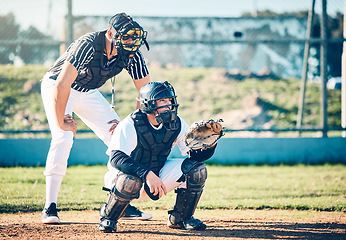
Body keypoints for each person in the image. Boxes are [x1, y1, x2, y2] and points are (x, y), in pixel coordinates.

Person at [40, 13, 152, 224]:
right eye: (125, 37)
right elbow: (62, 85)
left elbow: (145, 91)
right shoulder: (88, 45)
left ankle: (118, 200)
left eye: (133, 37)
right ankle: (50, 206)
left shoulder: (132, 55)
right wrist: (61, 121)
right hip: (58, 86)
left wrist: (131, 125)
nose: (129, 42)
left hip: (88, 91)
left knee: (122, 139)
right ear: (110, 34)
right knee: (63, 137)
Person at [98, 81, 217, 233]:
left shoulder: (176, 123)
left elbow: (193, 156)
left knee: (196, 170)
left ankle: (181, 218)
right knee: (130, 179)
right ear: (148, 103)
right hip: (124, 183)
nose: (168, 105)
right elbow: (117, 158)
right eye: (162, 101)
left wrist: (208, 146)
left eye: (170, 100)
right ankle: (109, 218)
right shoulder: (131, 124)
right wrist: (147, 174)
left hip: (157, 180)